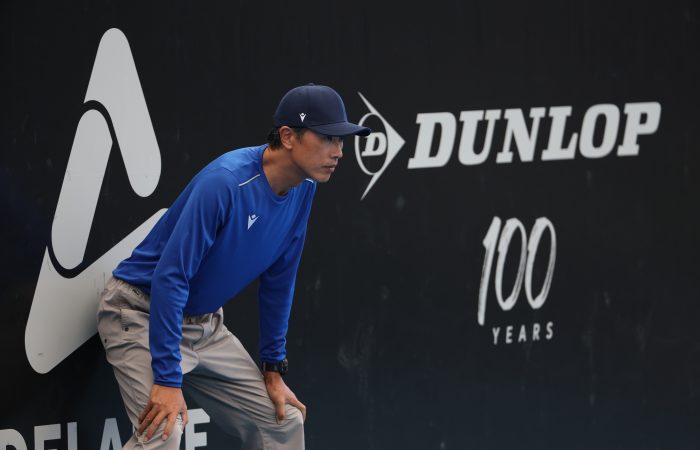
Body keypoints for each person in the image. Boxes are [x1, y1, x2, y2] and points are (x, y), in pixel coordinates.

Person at [96, 83, 370, 449]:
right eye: (327, 139)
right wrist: (167, 377)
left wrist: (273, 369)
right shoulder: (225, 183)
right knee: (164, 431)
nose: (338, 152)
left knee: (283, 421)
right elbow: (171, 276)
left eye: (342, 141)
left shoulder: (305, 187)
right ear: (288, 136)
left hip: (205, 327)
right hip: (140, 314)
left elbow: (280, 279)